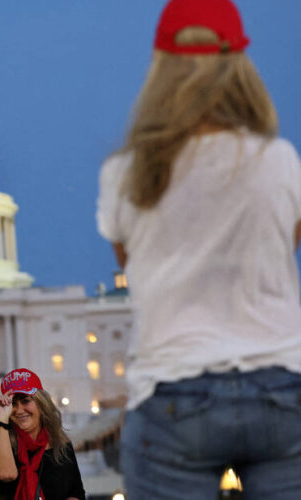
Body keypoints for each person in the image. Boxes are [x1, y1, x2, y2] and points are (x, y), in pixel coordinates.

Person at [96, 0, 301, 498]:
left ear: (159, 69)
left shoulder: (126, 173)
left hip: (172, 391)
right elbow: (285, 249)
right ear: (240, 66)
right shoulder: (279, 160)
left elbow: (130, 265)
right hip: (280, 386)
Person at [0, 368, 84, 500]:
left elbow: (76, 492)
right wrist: (2, 418)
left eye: (25, 400)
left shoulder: (58, 440)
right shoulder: (0, 432)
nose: (19, 410)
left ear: (41, 402)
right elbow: (6, 474)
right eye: (13, 403)